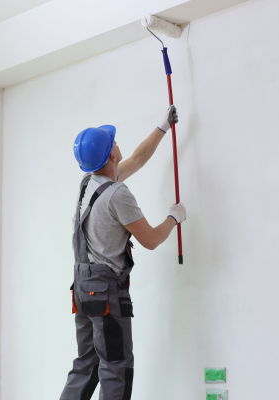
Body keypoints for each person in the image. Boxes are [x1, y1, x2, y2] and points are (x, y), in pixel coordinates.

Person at [59, 105, 186, 400]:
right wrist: (174, 218)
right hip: (105, 293)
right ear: (111, 154)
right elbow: (151, 240)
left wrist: (163, 126)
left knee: (86, 365)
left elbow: (138, 159)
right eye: (113, 141)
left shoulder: (89, 183)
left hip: (82, 287)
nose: (117, 142)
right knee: (116, 368)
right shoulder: (118, 195)